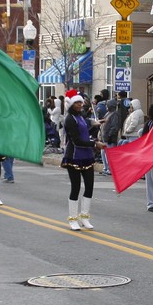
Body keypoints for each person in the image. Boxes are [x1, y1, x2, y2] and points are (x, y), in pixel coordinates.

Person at [60, 89, 106, 230]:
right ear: (71, 104)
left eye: (81, 102)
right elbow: (77, 140)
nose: (80, 104)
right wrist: (94, 144)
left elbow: (87, 125)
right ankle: (73, 219)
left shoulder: (81, 116)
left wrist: (97, 123)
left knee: (89, 186)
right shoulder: (69, 119)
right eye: (77, 103)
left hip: (87, 156)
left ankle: (85, 217)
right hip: (74, 156)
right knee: (76, 188)